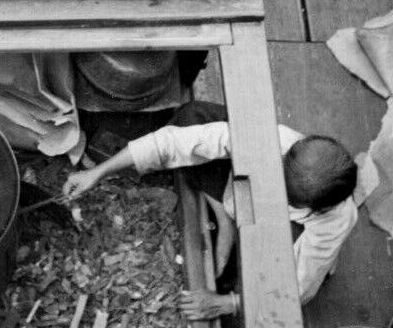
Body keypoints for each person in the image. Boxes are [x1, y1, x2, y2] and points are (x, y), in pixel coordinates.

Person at [62, 101, 358, 314]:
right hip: (237, 192)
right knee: (192, 118)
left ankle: (231, 233)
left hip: (280, 234)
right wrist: (97, 173)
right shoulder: (274, 141)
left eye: (285, 196)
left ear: (313, 208)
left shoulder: (333, 223)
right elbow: (176, 142)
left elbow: (300, 289)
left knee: (257, 277)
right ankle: (223, 218)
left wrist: (228, 303)